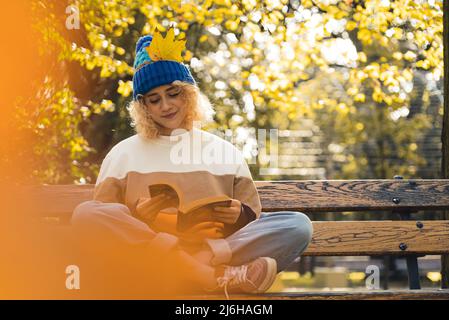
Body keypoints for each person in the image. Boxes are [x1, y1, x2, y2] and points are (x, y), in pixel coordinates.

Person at [71, 28, 313, 298]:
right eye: (154, 99)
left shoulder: (225, 152)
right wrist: (140, 216)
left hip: (209, 252)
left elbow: (253, 220)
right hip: (148, 263)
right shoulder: (122, 154)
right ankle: (208, 276)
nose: (166, 105)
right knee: (86, 214)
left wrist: (239, 216)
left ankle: (192, 270)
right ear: (143, 107)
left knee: (297, 225)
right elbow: (107, 226)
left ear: (188, 94)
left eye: (173, 93)